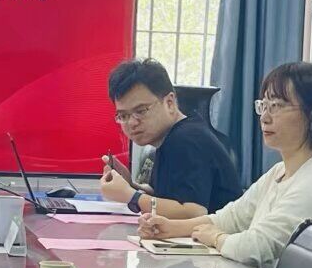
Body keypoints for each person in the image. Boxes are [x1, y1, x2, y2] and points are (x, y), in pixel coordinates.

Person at [139, 61, 312, 268]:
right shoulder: (280, 171)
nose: (265, 118)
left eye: (277, 106)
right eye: (264, 105)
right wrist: (171, 228)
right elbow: (233, 217)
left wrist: (216, 238)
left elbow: (253, 247)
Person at [97, 58, 242, 218]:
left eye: (141, 111)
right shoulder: (172, 137)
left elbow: (194, 212)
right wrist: (131, 185)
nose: (131, 122)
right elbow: (168, 197)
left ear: (170, 103)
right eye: (123, 115)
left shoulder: (186, 139)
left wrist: (131, 196)